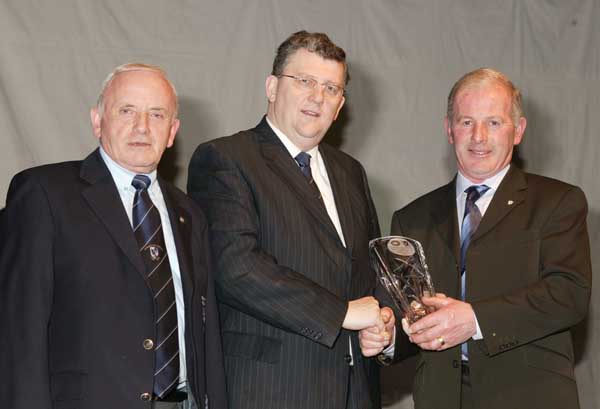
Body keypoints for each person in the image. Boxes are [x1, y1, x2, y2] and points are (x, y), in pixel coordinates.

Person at [359, 68, 592, 409]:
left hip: (529, 396)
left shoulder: (558, 202)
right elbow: (406, 315)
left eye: (494, 122)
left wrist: (475, 320)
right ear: (448, 130)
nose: (479, 136)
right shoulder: (412, 218)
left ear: (518, 131)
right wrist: (388, 336)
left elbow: (568, 294)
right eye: (466, 122)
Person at [0, 63, 227, 409]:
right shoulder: (44, 195)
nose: (142, 127)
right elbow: (19, 332)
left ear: (172, 131)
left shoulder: (189, 214)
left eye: (157, 114)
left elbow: (204, 335)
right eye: (127, 111)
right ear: (97, 120)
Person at [187, 31, 393, 409]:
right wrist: (341, 313)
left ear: (340, 104)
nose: (318, 97)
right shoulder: (225, 158)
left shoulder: (351, 172)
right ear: (271, 86)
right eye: (305, 81)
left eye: (331, 88)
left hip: (355, 391)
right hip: (271, 390)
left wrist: (384, 324)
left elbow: (372, 270)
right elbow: (235, 267)